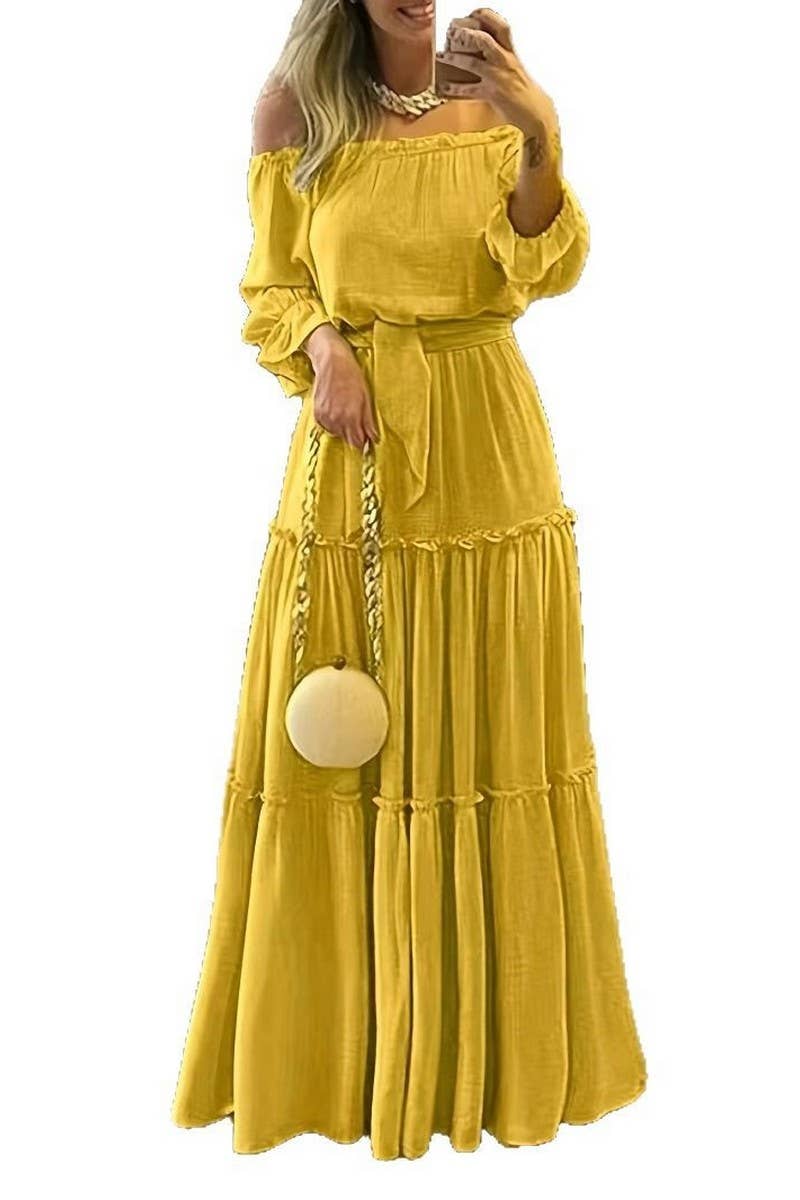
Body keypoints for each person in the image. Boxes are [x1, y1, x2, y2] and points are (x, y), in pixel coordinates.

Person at [171, 0, 646, 1161]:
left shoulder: (494, 99)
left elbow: (544, 265)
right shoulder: (294, 110)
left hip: (488, 457)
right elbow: (271, 288)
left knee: (491, 740)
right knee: (335, 742)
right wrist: (325, 348)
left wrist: (537, 130)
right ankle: (338, 1063)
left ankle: (491, 1061)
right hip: (352, 456)